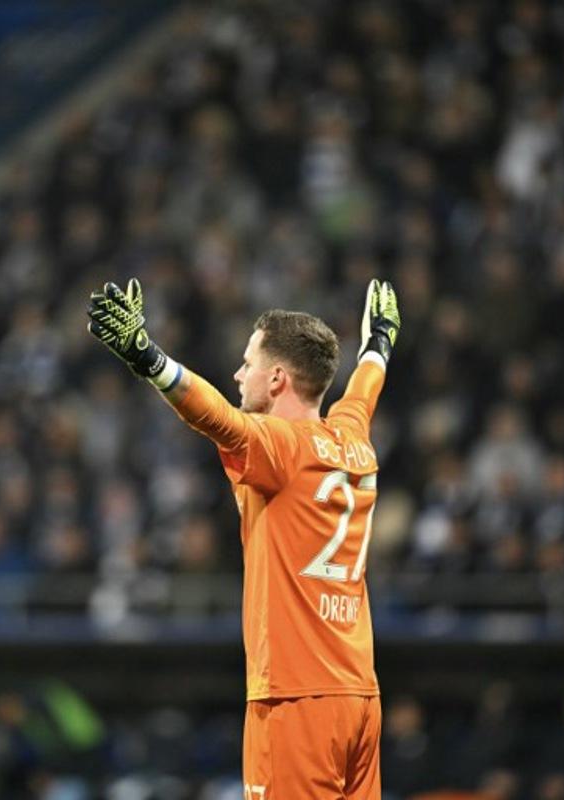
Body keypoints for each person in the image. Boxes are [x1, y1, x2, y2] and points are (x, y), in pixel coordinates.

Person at [87, 277, 401, 797]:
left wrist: (148, 358)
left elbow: (217, 419)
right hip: (358, 694)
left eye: (248, 362)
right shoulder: (351, 435)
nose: (238, 373)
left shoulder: (281, 446)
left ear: (277, 378)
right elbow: (364, 390)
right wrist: (381, 341)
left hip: (296, 698)